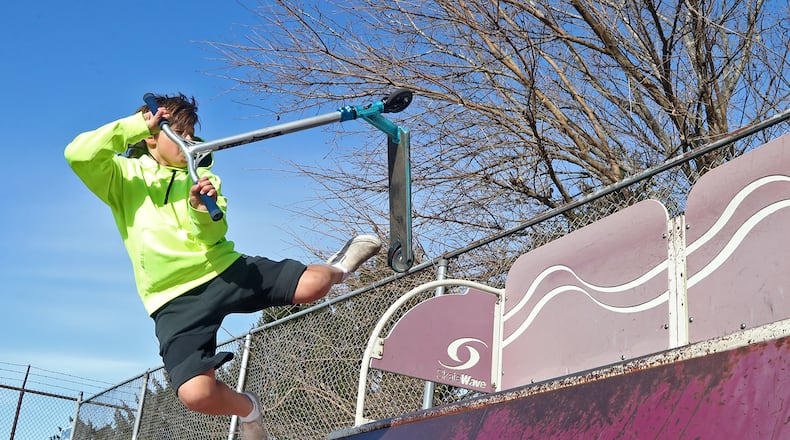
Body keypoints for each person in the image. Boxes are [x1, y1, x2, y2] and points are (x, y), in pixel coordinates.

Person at [64, 93, 382, 439]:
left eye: (191, 137)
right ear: (151, 135)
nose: (188, 143)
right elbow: (78, 153)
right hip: (172, 299)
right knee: (196, 394)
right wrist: (136, 124)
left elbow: (214, 230)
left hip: (220, 268)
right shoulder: (121, 177)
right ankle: (248, 409)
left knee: (315, 285)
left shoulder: (202, 179)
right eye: (178, 134)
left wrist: (202, 210)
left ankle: (340, 265)